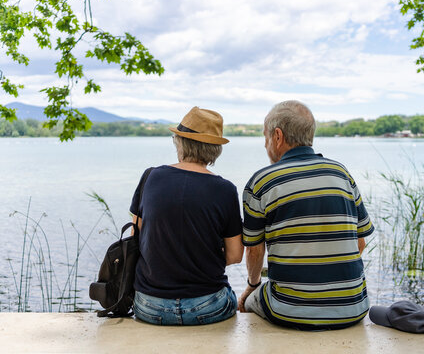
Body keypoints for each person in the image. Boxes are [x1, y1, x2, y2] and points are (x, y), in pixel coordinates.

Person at [238, 100, 374, 331]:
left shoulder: (261, 182)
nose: (265, 145)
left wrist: (253, 285)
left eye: (265, 137)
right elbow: (359, 242)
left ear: (277, 136)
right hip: (354, 308)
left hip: (287, 311)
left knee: (248, 301)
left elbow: (254, 250)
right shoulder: (342, 174)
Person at [130, 106, 244, 325]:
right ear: (215, 149)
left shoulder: (151, 176)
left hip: (149, 305)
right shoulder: (225, 189)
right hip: (208, 306)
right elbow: (235, 255)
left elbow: (137, 234)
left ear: (180, 142)